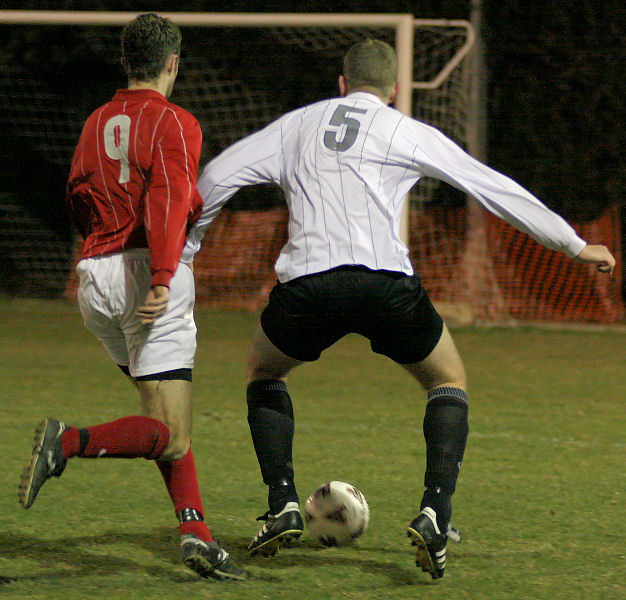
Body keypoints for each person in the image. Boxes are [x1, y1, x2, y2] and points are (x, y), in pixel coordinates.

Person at [183, 39, 615, 579]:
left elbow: (219, 174)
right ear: (393, 90)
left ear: (341, 83)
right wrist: (573, 244)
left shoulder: (297, 125)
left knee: (264, 371)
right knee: (446, 378)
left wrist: (187, 248)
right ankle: (436, 511)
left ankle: (284, 503)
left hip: (310, 286)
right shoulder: (402, 128)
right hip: (386, 284)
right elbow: (490, 185)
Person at [18, 13, 246, 582]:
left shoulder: (97, 120)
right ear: (172, 63)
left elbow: (75, 193)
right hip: (146, 270)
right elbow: (168, 199)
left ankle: (196, 535)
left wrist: (95, 258)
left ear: (129, 61)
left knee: (163, 414)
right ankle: (67, 442)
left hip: (94, 276)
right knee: (170, 432)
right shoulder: (175, 121)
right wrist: (164, 275)